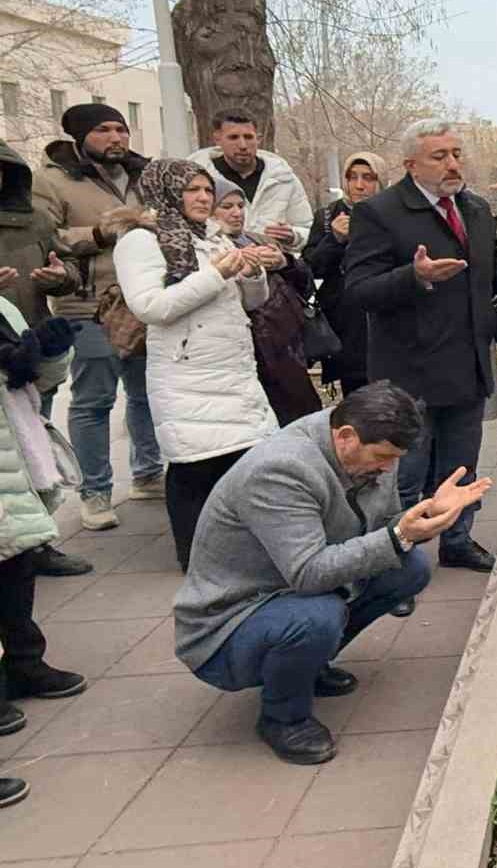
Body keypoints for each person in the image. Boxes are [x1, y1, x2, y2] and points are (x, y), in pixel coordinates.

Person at [174, 382, 491, 764]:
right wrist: (400, 535)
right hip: (227, 623)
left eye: (396, 459)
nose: (389, 467)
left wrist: (428, 513)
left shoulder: (372, 447)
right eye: (383, 457)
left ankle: (306, 665)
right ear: (345, 437)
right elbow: (308, 573)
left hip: (287, 592)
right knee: (317, 616)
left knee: (408, 569)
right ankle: (283, 717)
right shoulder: (280, 469)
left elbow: (382, 528)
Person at [344, 119, 497, 593]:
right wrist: (413, 277)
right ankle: (394, 563)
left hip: (466, 364)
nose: (453, 163)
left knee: (461, 468)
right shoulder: (379, 212)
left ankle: (458, 540)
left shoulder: (474, 209)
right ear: (410, 163)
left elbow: (481, 280)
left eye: (456, 153)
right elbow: (358, 290)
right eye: (440, 156)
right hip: (409, 373)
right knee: (404, 475)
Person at [111, 160, 279, 569]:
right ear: (166, 193)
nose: (204, 198)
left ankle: (241, 551)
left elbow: (249, 302)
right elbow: (152, 306)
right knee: (194, 465)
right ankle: (195, 558)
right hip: (184, 372)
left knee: (242, 460)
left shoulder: (212, 237)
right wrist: (218, 274)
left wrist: (253, 273)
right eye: (192, 191)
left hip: (231, 368)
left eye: (208, 190)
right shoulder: (140, 241)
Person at [34, 103, 165, 532]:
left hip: (141, 298)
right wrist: (99, 234)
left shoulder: (141, 174)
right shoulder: (53, 180)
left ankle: (147, 472)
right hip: (88, 304)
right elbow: (45, 236)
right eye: (105, 130)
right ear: (80, 136)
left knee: (146, 393)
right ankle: (95, 492)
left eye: (121, 129)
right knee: (95, 400)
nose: (116, 138)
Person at [0, 295, 87, 808]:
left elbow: (38, 380)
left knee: (16, 566)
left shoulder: (3, 306)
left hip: (14, 455)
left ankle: (26, 664)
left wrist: (50, 349)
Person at [0, 137, 88, 577]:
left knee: (35, 451)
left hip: (32, 349)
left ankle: (39, 541)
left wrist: (59, 277)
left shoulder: (33, 220)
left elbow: (69, 269)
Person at [213, 177, 325, 425]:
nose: (236, 213)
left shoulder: (259, 240)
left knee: (300, 418)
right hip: (245, 349)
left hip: (284, 345)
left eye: (240, 206)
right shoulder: (209, 249)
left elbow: (305, 285)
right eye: (226, 206)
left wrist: (284, 263)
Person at [303, 152, 389, 397]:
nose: (359, 185)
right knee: (358, 401)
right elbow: (311, 268)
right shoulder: (329, 216)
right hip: (347, 326)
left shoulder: (392, 216)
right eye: (353, 177)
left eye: (369, 178)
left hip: (385, 323)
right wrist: (335, 239)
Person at [192, 112, 315, 251]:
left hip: (276, 265)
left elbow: (309, 229)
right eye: (233, 137)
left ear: (259, 139)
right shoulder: (197, 181)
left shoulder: (283, 178)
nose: (243, 145)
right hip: (221, 265)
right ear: (217, 139)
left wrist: (294, 236)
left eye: (248, 137)